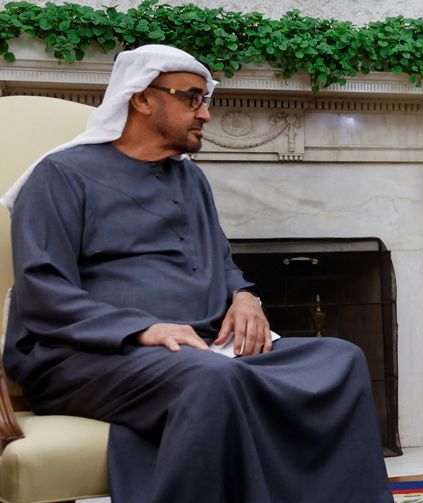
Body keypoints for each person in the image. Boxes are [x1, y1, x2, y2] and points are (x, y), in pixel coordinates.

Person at [2, 45, 392, 502]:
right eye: (191, 98)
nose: (205, 114)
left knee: (340, 359)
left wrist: (245, 297)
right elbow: (42, 289)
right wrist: (142, 329)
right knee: (209, 378)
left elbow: (222, 259)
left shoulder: (190, 179)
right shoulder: (61, 175)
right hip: (82, 357)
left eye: (206, 100)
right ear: (142, 99)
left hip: (198, 348)